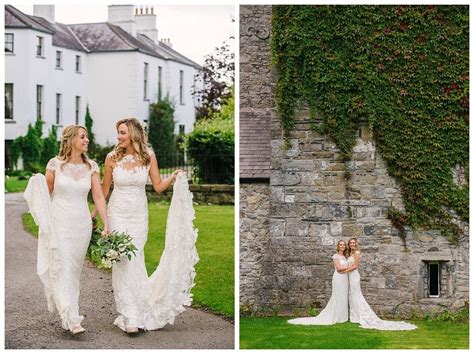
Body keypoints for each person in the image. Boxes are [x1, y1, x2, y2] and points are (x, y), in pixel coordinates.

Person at [92, 117, 198, 334]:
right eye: (118, 133)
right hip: (118, 213)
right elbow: (103, 191)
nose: (118, 137)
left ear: (133, 133)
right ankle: (130, 315)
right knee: (123, 260)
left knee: (136, 258)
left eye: (122, 132)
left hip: (139, 216)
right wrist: (94, 215)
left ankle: (139, 310)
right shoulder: (111, 158)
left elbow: (158, 186)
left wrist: (174, 176)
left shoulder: (148, 156)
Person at [25, 125, 109, 335]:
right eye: (82, 136)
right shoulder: (55, 165)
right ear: (71, 140)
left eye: (87, 136)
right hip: (59, 222)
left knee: (73, 271)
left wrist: (106, 223)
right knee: (62, 267)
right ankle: (72, 318)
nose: (87, 139)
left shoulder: (92, 166)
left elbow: (98, 196)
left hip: (81, 226)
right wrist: (37, 184)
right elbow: (46, 193)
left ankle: (68, 311)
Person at [341, 238, 416, 330]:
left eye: (354, 243)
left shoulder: (357, 253)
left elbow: (355, 266)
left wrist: (344, 271)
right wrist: (345, 271)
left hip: (354, 276)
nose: (352, 244)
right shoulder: (349, 254)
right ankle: (354, 317)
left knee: (356, 295)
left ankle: (361, 316)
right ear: (349, 244)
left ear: (356, 244)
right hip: (349, 276)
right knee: (351, 296)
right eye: (350, 243)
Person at [288, 240, 349, 325]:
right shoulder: (335, 256)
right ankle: (336, 316)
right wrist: (348, 267)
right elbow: (338, 268)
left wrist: (346, 268)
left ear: (345, 247)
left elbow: (343, 268)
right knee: (338, 296)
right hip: (338, 278)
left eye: (344, 245)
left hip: (345, 279)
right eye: (341, 245)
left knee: (343, 296)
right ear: (338, 246)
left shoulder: (345, 257)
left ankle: (343, 316)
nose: (342, 246)